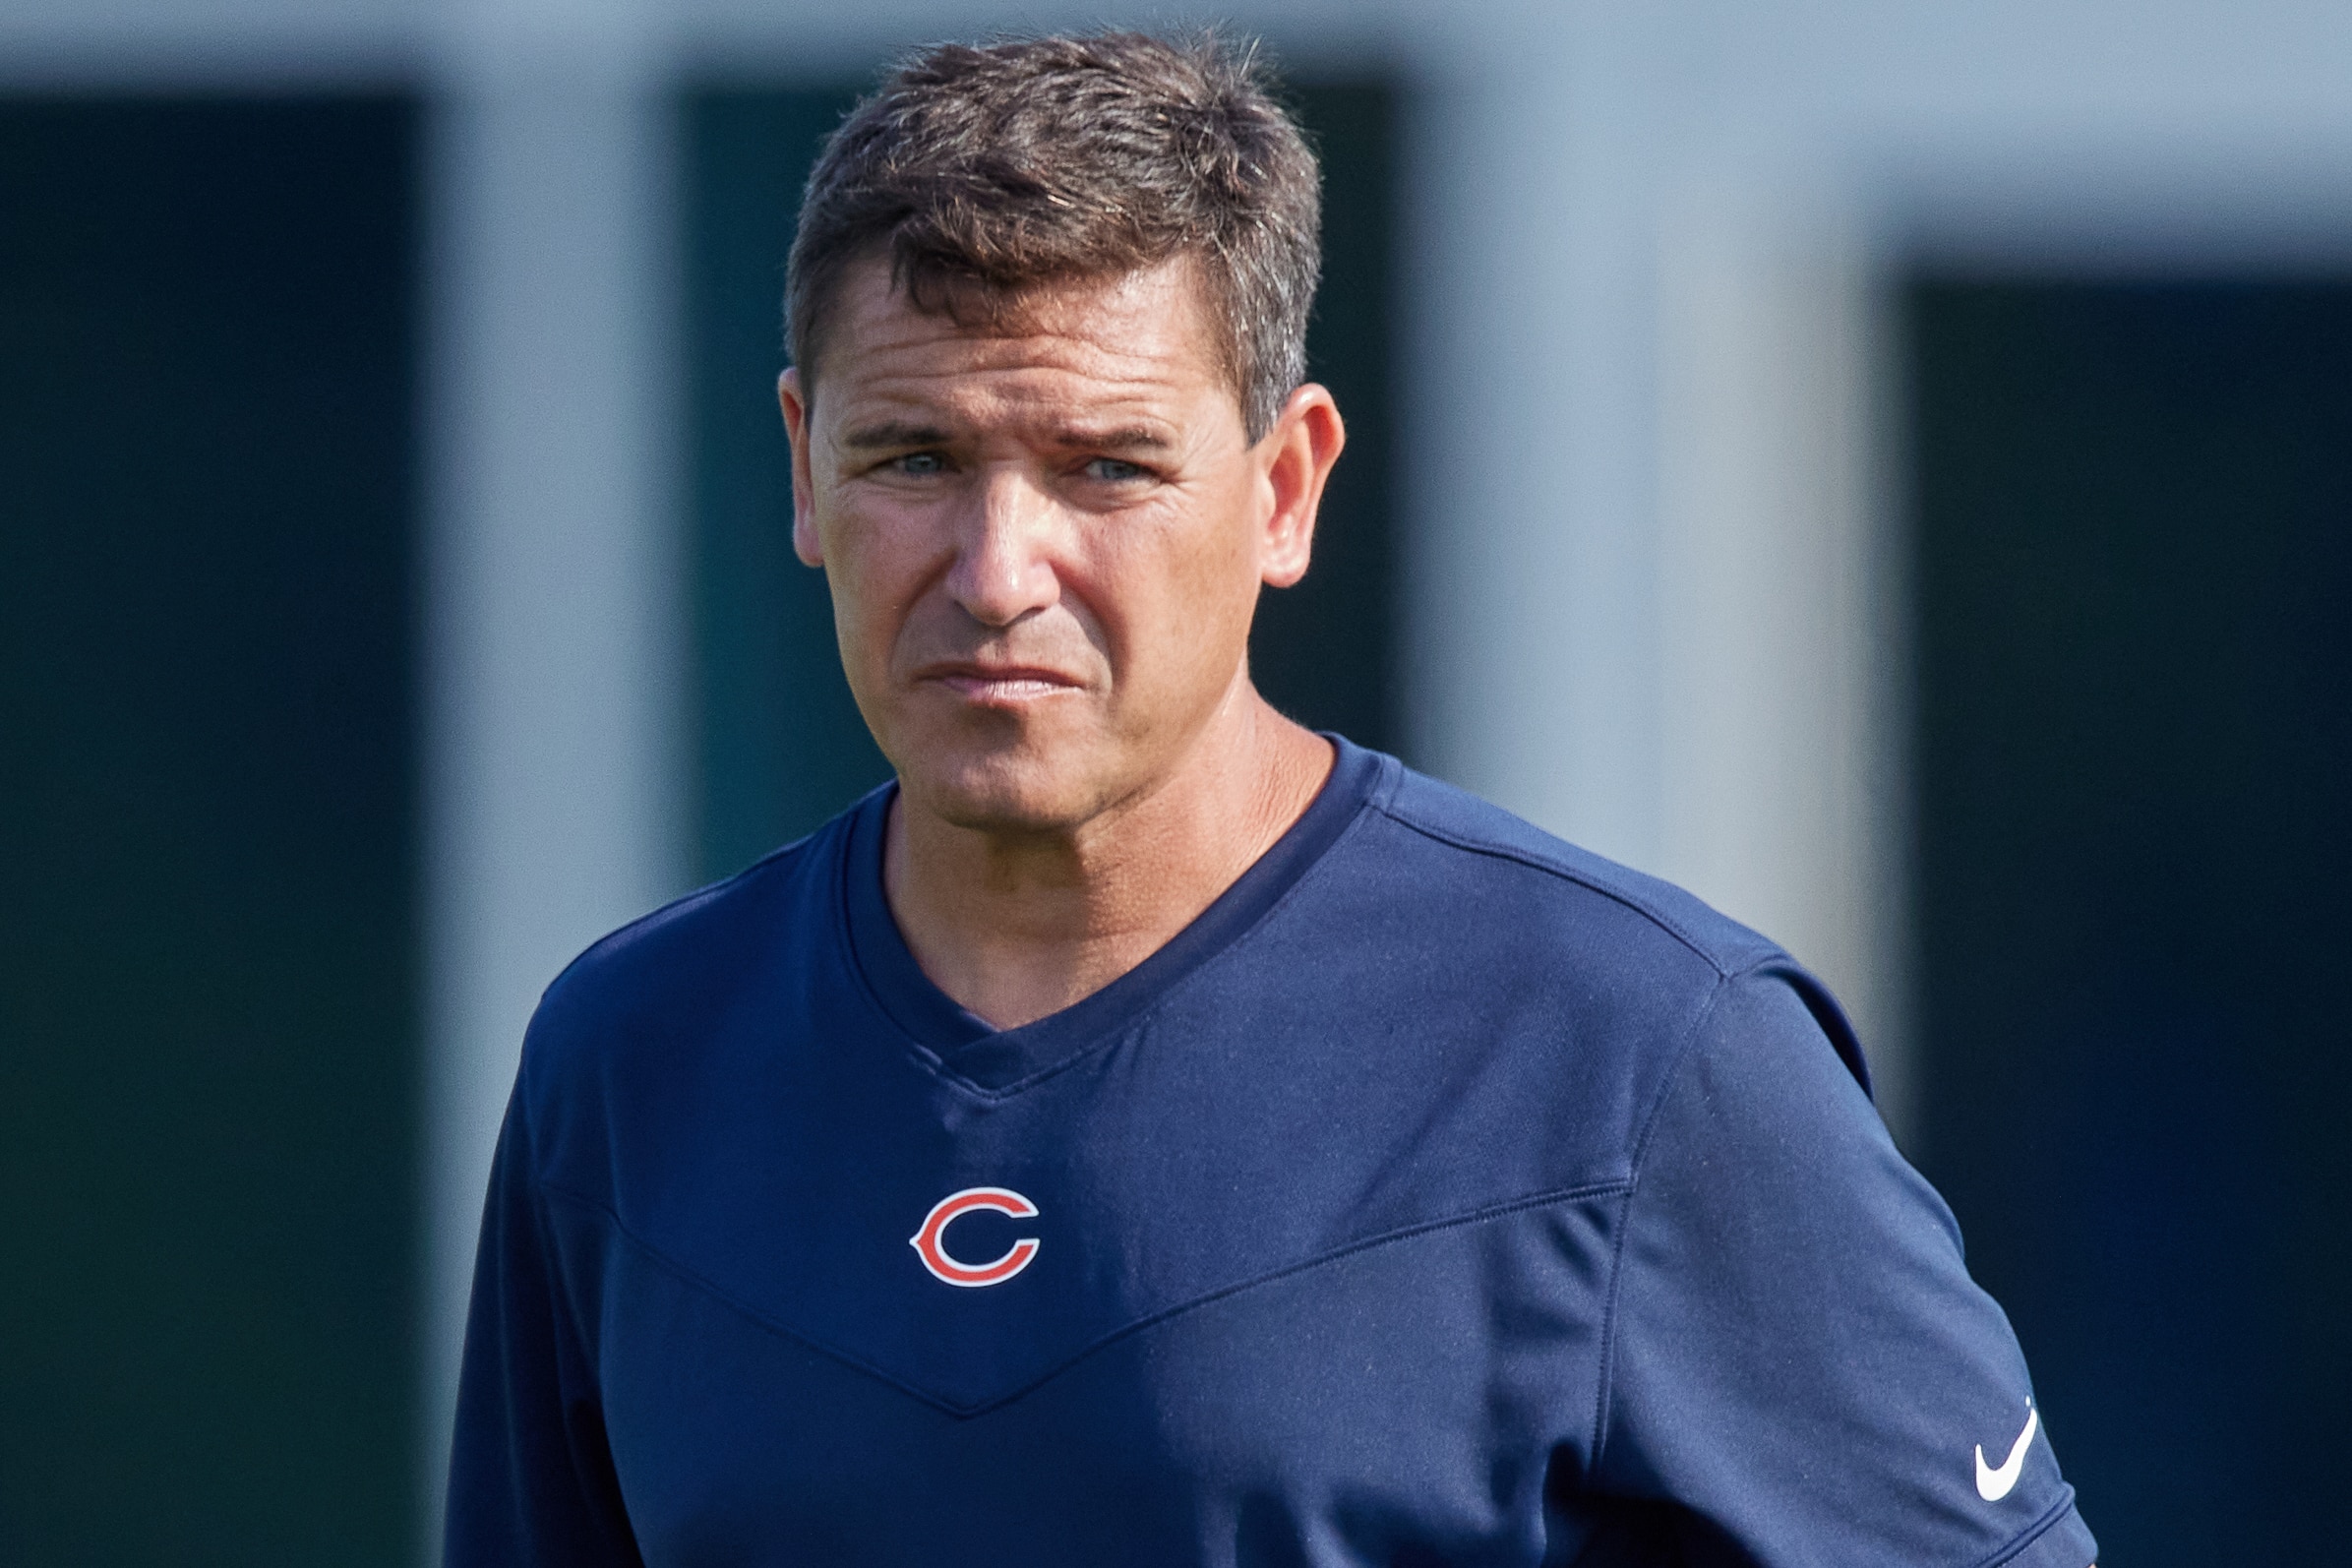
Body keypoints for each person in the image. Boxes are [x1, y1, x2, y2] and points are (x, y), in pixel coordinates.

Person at [444, 30, 2097, 1568]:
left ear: (1285, 488)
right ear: (804, 470)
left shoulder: (1638, 1057)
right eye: (914, 461)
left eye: (1108, 466)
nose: (997, 571)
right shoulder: (634, 1060)